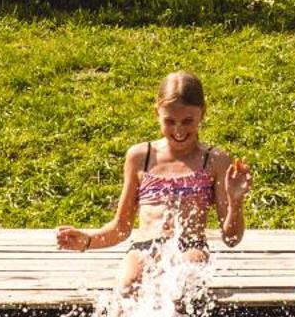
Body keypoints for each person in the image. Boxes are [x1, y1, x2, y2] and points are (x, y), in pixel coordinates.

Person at [56, 71, 250, 294]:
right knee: (128, 288)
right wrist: (88, 240)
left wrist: (236, 202)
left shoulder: (215, 160)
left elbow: (232, 238)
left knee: (179, 285)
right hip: (144, 247)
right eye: (169, 121)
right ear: (156, 112)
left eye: (188, 121)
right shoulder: (140, 156)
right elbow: (121, 227)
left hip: (190, 246)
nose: (178, 131)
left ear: (202, 114)